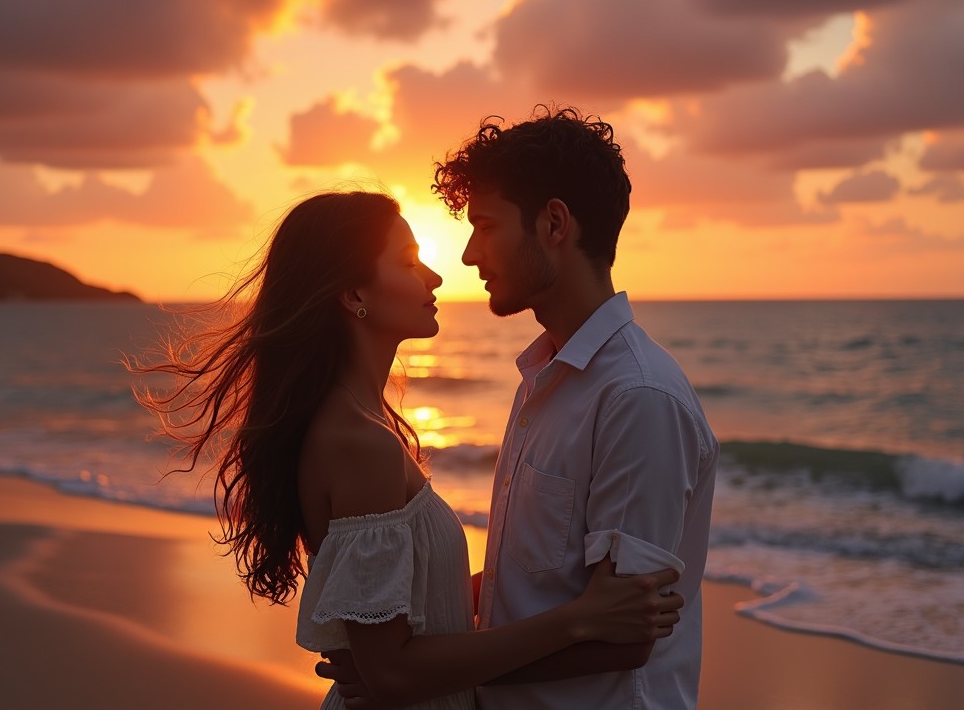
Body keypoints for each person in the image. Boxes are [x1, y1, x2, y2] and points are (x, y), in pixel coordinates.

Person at [134, 189, 685, 710]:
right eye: (408, 262)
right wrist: (579, 618)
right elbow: (392, 673)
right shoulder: (357, 443)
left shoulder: (362, 426)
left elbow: (402, 620)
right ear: (353, 295)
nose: (437, 275)